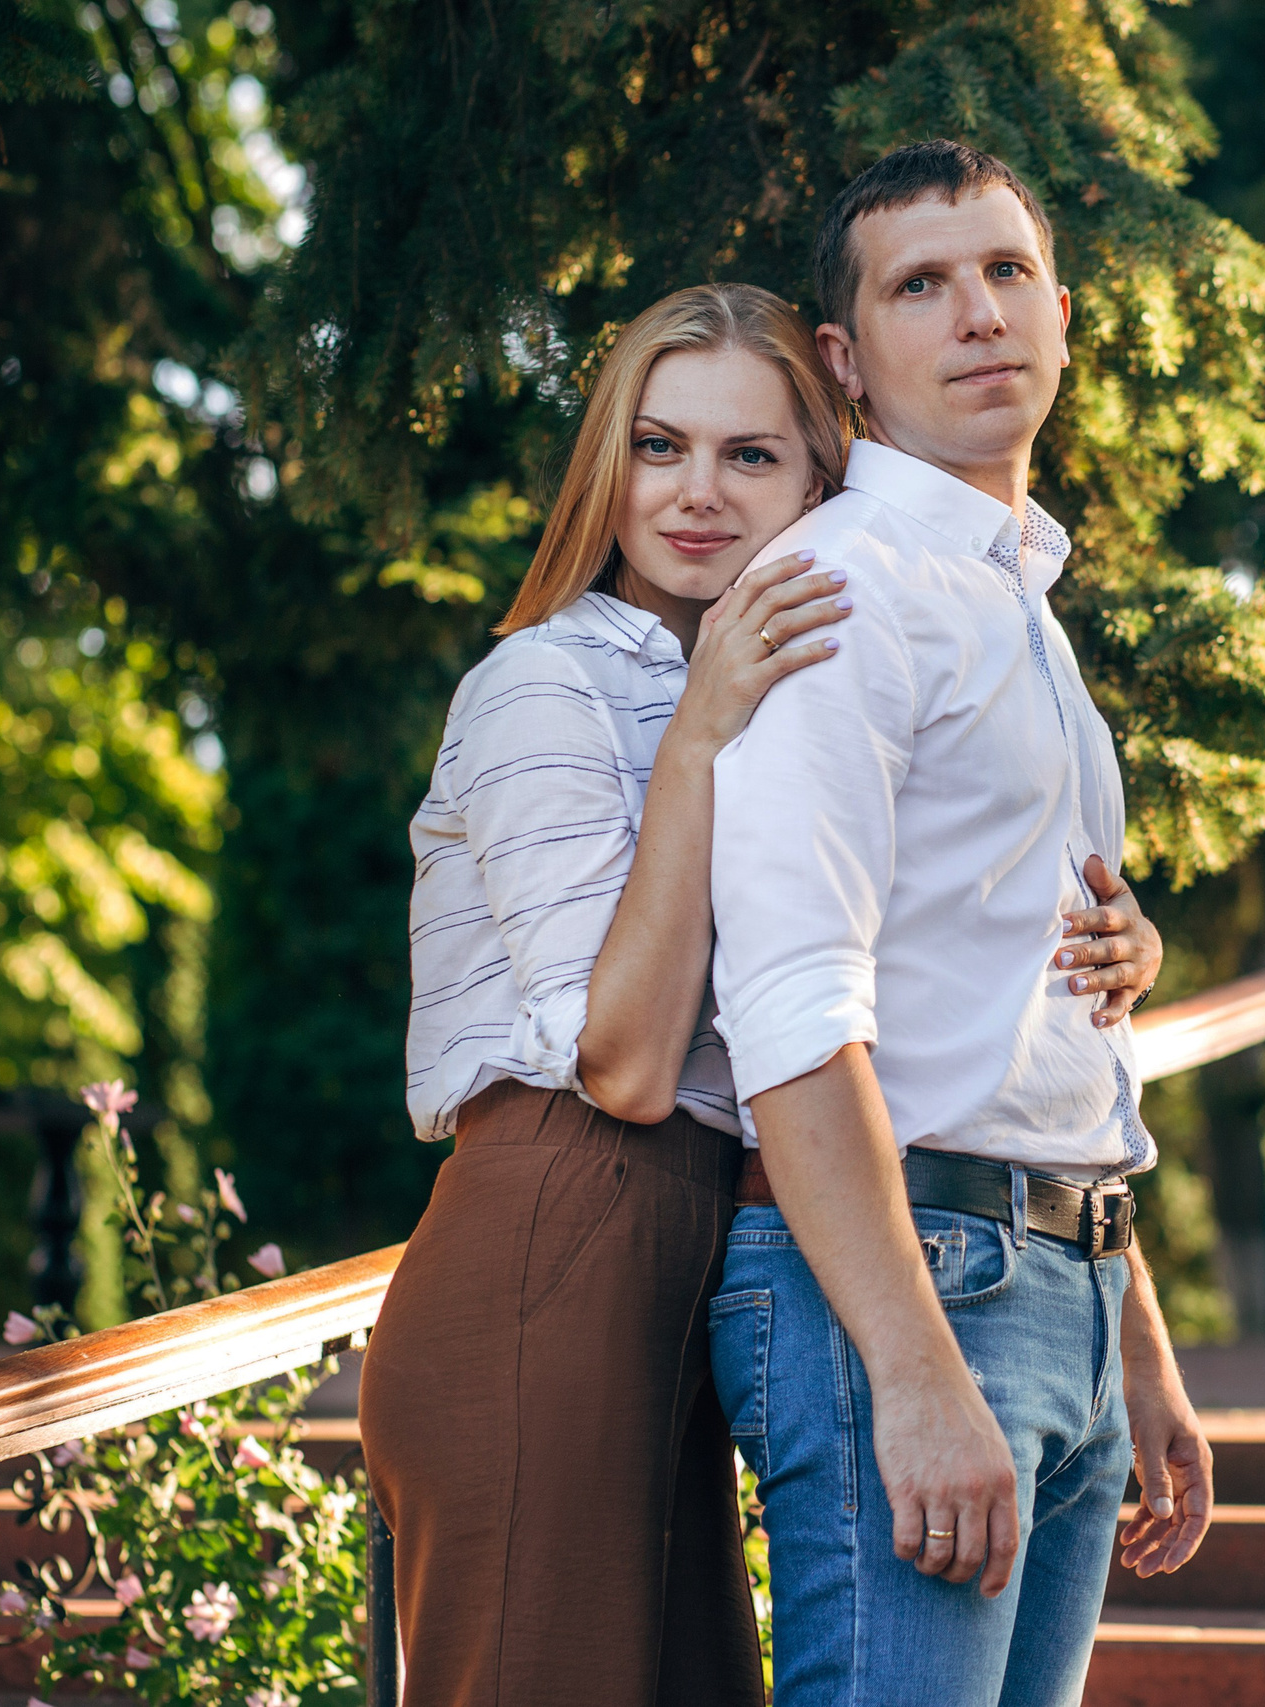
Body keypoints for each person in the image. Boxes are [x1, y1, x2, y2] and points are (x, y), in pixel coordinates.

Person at [707, 141, 1216, 1707]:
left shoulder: (1011, 599)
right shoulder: (845, 588)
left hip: (1058, 1281)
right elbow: (793, 1008)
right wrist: (913, 1369)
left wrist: (1135, 1334)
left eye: (1006, 271)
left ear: (1060, 311)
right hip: (917, 1289)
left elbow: (1042, 1013)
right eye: (921, 285)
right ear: (848, 362)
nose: (979, 311)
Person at [358, 283, 852, 1707]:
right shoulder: (544, 686)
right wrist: (696, 736)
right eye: (658, 446)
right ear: (607, 468)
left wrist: (1110, 937)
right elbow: (625, 1064)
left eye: (750, 454)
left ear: (817, 482)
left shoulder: (808, 693)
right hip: (553, 1241)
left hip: (707, 1267)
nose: (698, 493)